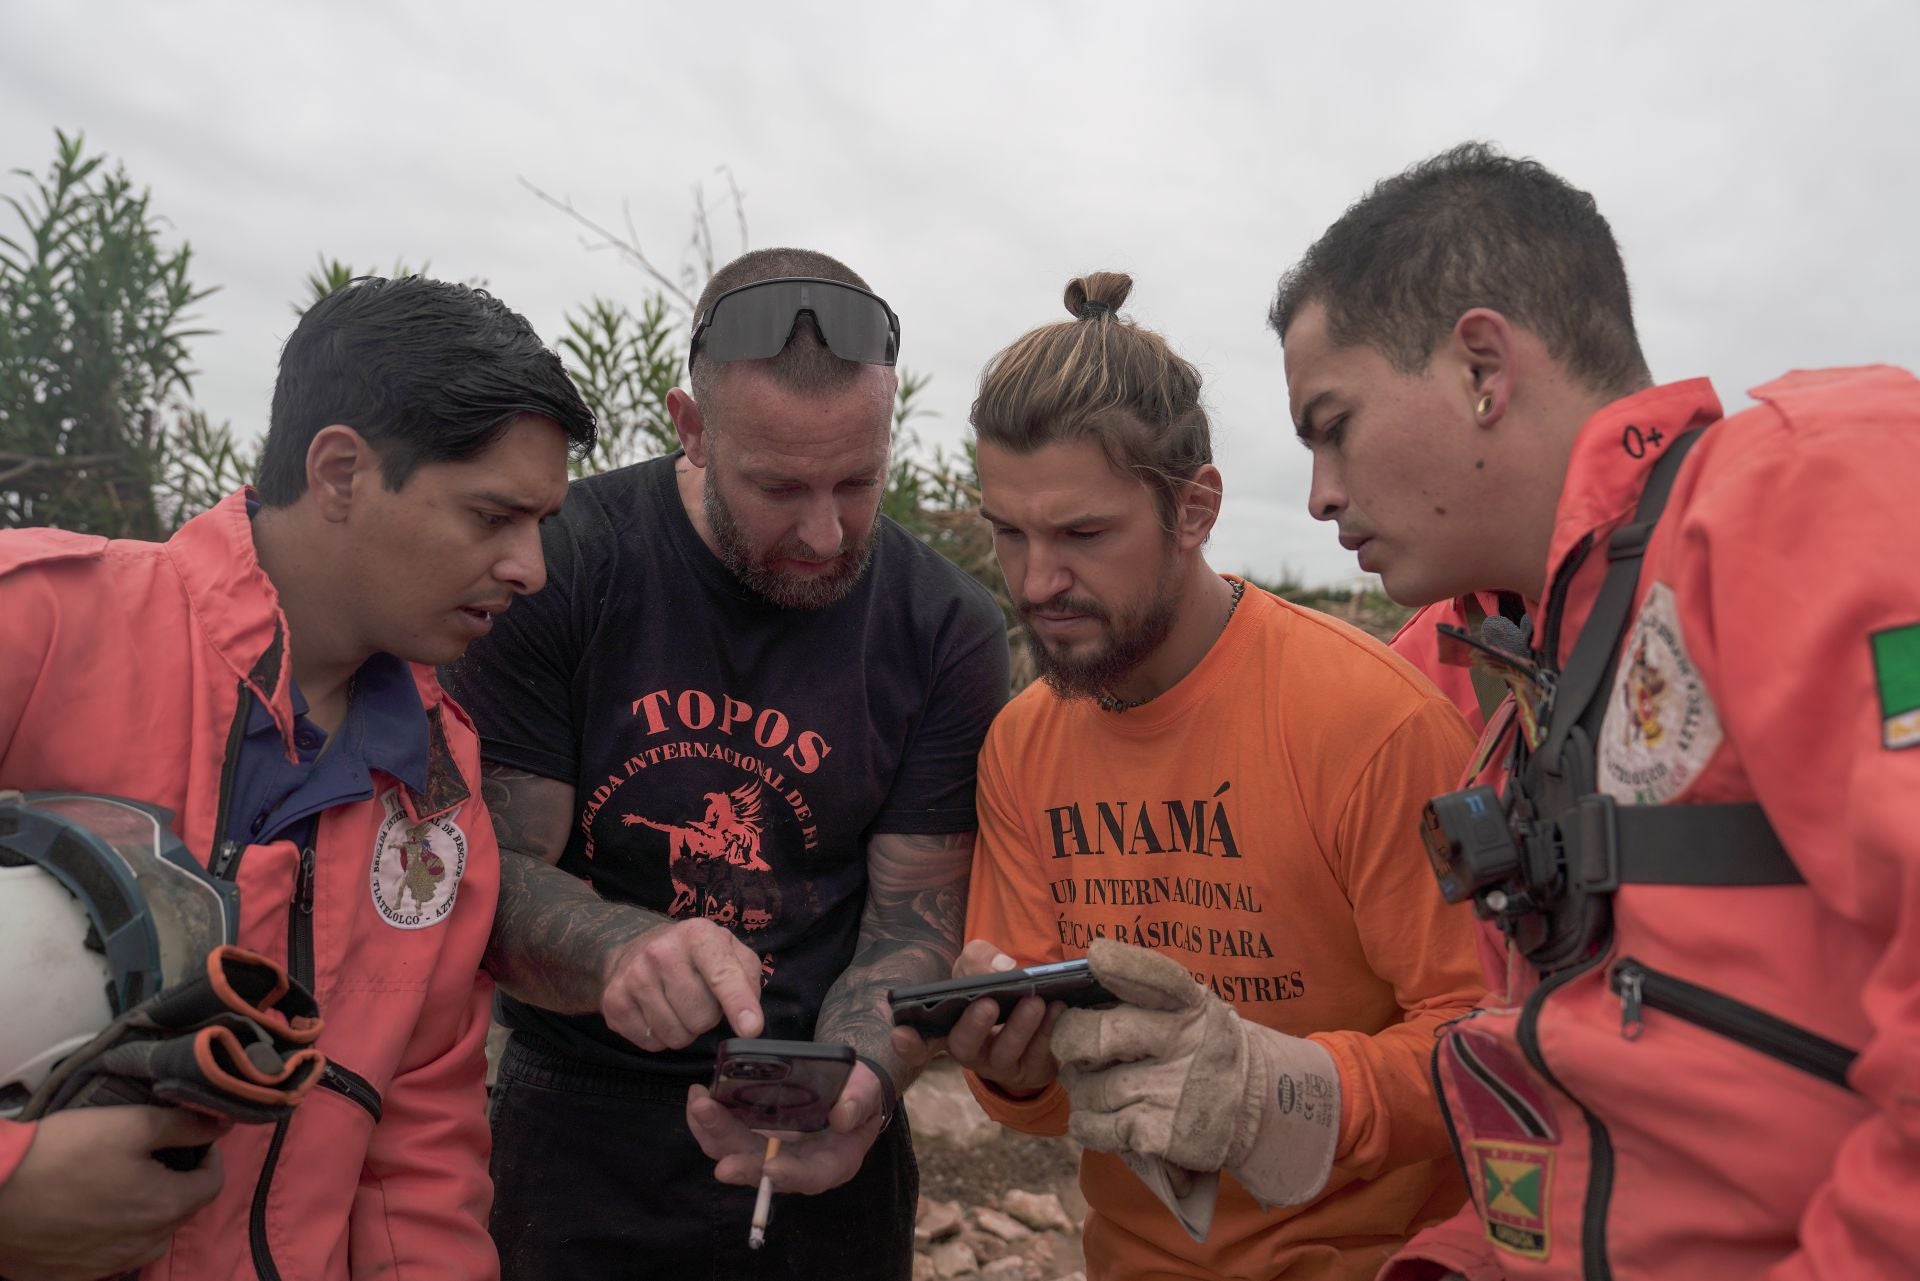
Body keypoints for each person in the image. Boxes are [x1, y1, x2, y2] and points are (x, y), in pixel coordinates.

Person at [1272, 142, 1920, 1279]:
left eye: (1334, 424)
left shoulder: (1804, 492)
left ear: (1483, 365)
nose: (1321, 491)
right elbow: (1580, 1101)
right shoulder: (1512, 673)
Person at [0, 275, 595, 1280]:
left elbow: (418, 1159)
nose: (531, 567)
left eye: (540, 522)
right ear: (339, 472)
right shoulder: (41, 632)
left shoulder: (440, 789)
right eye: (493, 515)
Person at [903, 272, 1486, 1281]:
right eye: (1009, 532)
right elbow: (1048, 1100)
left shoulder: (1372, 722)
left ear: (1195, 509)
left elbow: (1492, 1047)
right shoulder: (1022, 746)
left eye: (1084, 535)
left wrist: (1282, 1091)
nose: (1036, 582)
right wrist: (1008, 1070)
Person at [443, 247, 1010, 1279]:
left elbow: (911, 921)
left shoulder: (947, 627)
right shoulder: (562, 566)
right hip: (577, 1119)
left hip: (827, 1113)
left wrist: (861, 1091)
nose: (826, 530)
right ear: (691, 429)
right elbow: (490, 871)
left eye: (857, 481)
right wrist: (622, 951)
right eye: (780, 486)